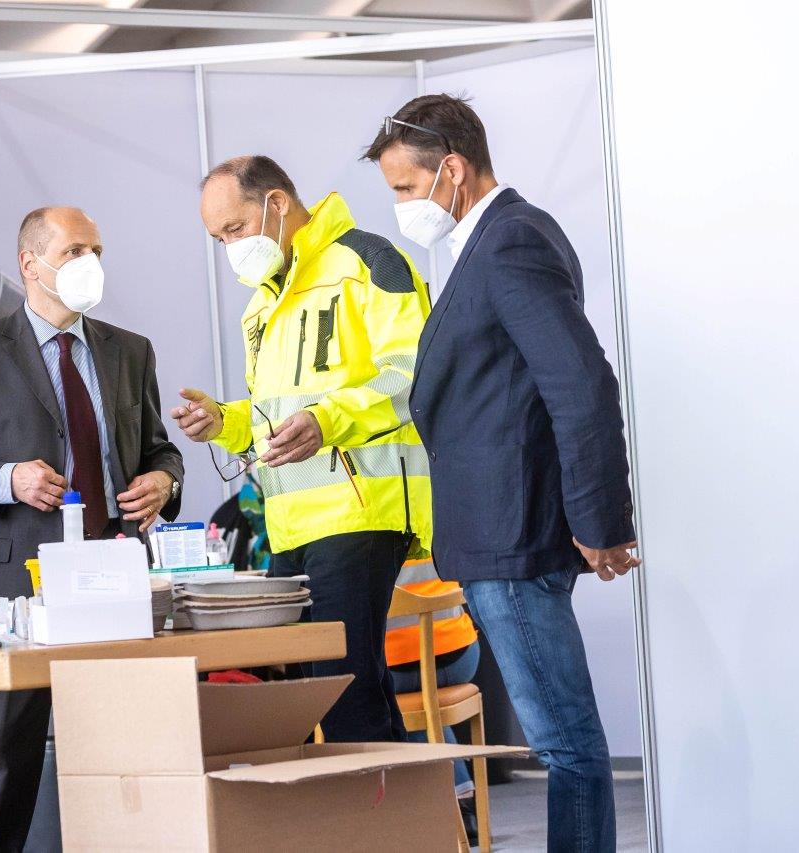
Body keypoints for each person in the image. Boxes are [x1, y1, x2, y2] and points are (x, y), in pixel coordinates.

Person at [364, 94, 641, 852]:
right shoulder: (494, 242)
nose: (400, 207)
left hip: (514, 539)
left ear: (451, 169)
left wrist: (599, 521)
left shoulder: (511, 240)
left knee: (565, 741)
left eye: (404, 188)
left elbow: (581, 385)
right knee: (565, 738)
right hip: (500, 536)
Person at [0, 205, 184, 851]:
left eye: (96, 248)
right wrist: (10, 478)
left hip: (115, 571)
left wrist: (164, 482)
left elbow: (158, 448)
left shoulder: (129, 350)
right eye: (72, 251)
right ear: (29, 264)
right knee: (4, 757)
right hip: (15, 577)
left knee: (127, 748)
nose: (89, 263)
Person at [175, 155, 431, 743]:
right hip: (290, 523)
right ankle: (408, 819)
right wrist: (225, 421)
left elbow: (418, 376)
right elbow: (278, 417)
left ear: (277, 203)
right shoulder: (261, 305)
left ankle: (377, 827)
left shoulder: (367, 261)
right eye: (218, 239)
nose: (230, 247)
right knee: (324, 691)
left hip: (360, 507)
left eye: (234, 229)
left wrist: (328, 419)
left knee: (343, 691)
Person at [384, 558, 481, 842]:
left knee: (390, 699)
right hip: (461, 655)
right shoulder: (435, 523)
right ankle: (463, 802)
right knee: (425, 703)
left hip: (398, 665)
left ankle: (442, 807)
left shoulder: (366, 540)